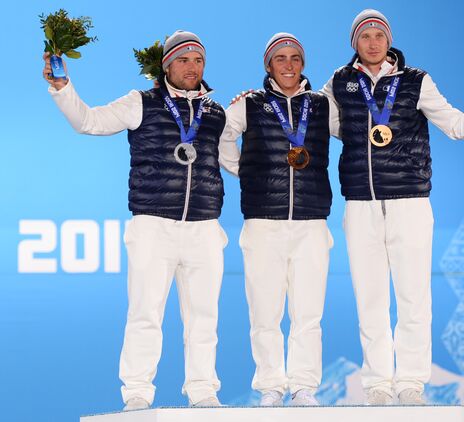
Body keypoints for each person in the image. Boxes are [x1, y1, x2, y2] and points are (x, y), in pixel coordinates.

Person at [321, 9, 464, 405]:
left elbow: (456, 125)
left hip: (410, 201)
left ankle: (411, 382)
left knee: (414, 296)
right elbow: (319, 122)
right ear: (354, 43)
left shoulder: (416, 81)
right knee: (370, 297)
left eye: (380, 34)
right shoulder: (340, 83)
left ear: (389, 40)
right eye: (366, 36)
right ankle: (378, 384)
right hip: (361, 203)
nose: (374, 41)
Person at [43, 30, 233, 410]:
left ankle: (203, 391)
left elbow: (231, 162)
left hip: (204, 226)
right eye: (183, 60)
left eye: (198, 60)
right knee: (145, 313)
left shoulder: (216, 112)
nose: (191, 67)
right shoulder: (140, 102)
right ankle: (137, 393)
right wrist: (62, 88)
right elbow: (89, 121)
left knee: (204, 316)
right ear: (166, 66)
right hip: (153, 223)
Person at [220, 33, 334, 406]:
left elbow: (359, 130)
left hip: (310, 220)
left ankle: (303, 386)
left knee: (308, 311)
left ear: (303, 64)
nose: (288, 65)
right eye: (280, 59)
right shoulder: (249, 105)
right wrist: (244, 170)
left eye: (295, 58)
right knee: (265, 311)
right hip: (263, 221)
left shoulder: (321, 105)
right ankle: (270, 386)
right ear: (268, 65)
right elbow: (220, 137)